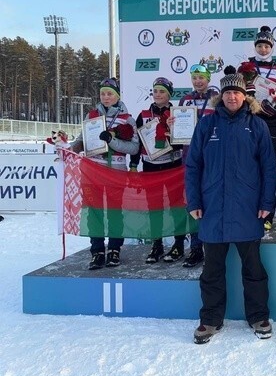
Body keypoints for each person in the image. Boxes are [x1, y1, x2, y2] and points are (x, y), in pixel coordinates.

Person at [186, 71, 276, 344]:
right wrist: (194, 201)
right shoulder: (207, 125)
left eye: (237, 92)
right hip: (213, 208)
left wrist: (266, 203)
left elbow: (269, 168)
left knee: (253, 268)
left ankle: (259, 316)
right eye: (227, 93)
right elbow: (193, 166)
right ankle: (211, 319)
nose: (232, 96)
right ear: (220, 97)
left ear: (245, 96)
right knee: (212, 269)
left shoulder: (257, 125)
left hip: (248, 209)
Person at [71, 77, 140, 270]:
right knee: (94, 214)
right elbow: (80, 140)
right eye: (103, 93)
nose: (106, 97)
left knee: (115, 213)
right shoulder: (91, 115)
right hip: (93, 172)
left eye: (110, 93)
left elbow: (134, 148)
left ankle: (115, 250)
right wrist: (68, 149)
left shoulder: (127, 119)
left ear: (117, 95)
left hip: (116, 173)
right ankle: (97, 251)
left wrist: (111, 141)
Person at [130, 77, 185, 264]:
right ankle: (157, 245)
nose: (158, 94)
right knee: (154, 207)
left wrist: (172, 132)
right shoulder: (143, 114)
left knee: (176, 206)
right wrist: (133, 164)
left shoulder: (177, 113)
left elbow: (183, 141)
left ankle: (178, 244)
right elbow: (137, 143)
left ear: (169, 94)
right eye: (155, 91)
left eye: (162, 91)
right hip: (150, 166)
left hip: (172, 165)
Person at [170, 62, 217, 268]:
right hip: (190, 158)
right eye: (195, 77)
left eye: (201, 77)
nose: (198, 81)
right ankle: (196, 247)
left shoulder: (217, 99)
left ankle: (213, 246)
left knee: (212, 201)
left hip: (212, 157)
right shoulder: (185, 99)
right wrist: (173, 128)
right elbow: (179, 135)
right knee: (193, 201)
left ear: (208, 79)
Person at [246, 25, 276, 230]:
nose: (263, 49)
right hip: (250, 123)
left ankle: (268, 214)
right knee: (249, 168)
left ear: (272, 48)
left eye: (267, 46)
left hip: (271, 124)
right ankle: (249, 210)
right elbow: (237, 94)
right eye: (260, 45)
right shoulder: (245, 67)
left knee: (268, 170)